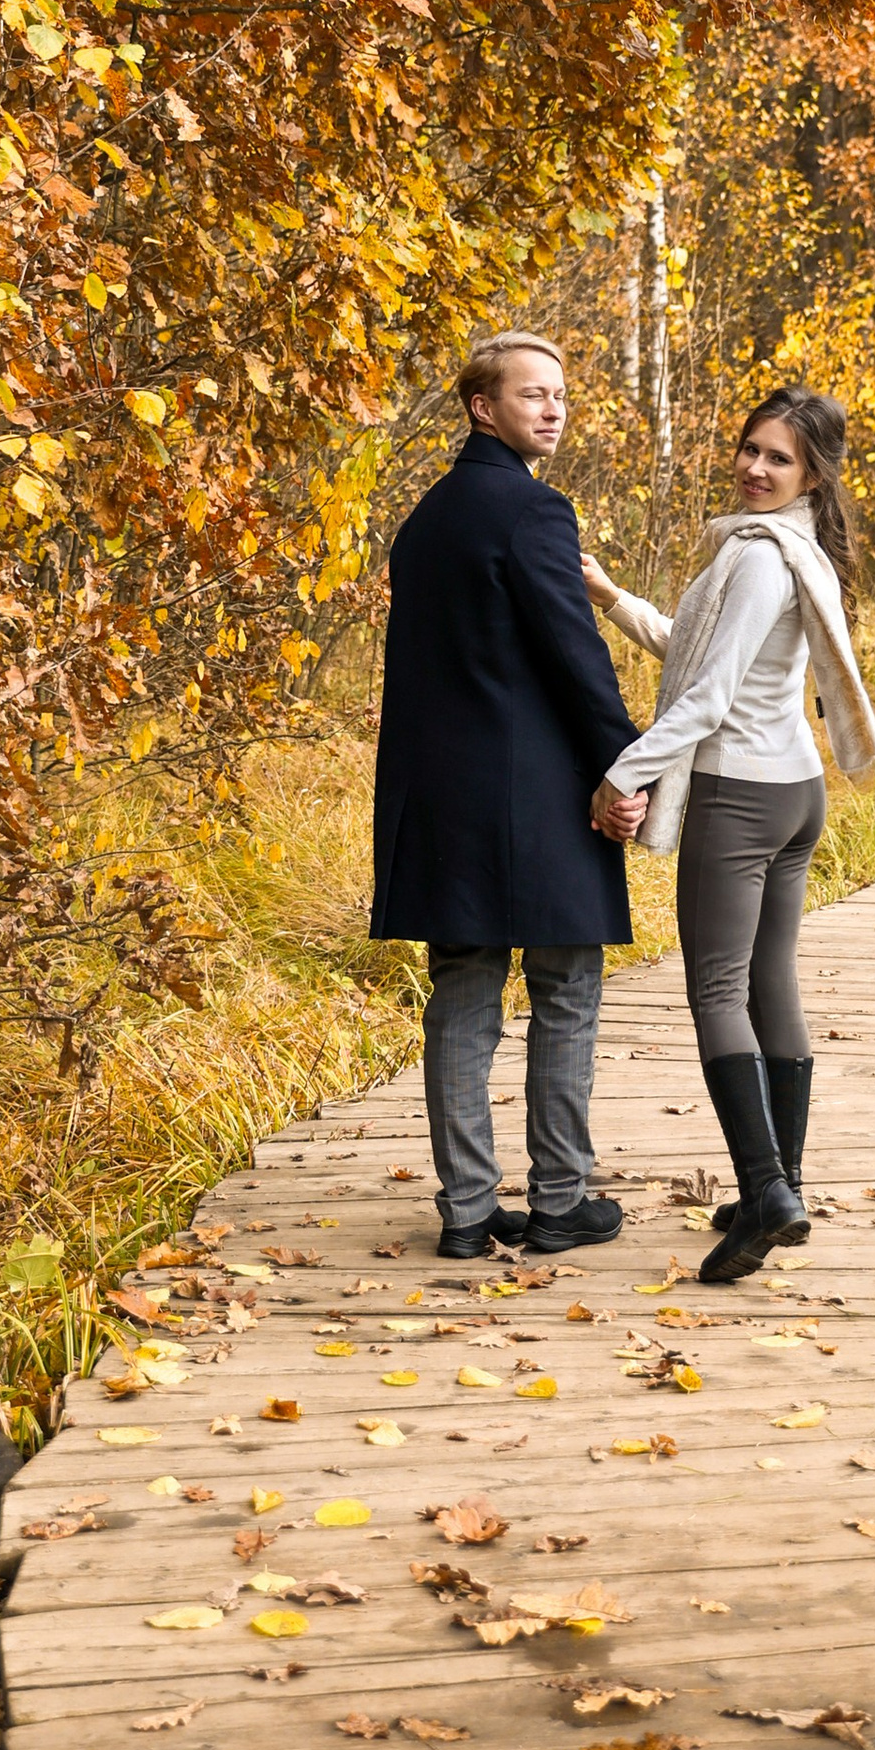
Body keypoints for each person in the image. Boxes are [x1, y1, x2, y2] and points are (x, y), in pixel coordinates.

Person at [581, 386, 875, 1285]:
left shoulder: (756, 557)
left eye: (778, 458)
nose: (755, 467)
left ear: (814, 473)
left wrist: (623, 770)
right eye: (751, 449)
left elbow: (706, 699)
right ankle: (778, 1182)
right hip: (795, 789)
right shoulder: (801, 550)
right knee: (768, 982)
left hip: (740, 794)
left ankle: (769, 1192)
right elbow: (699, 653)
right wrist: (612, 598)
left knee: (717, 988)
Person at [370, 332, 638, 1262]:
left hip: (443, 800)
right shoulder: (534, 513)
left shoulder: (427, 519)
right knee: (565, 988)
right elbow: (574, 654)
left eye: (560, 394)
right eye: (534, 395)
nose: (554, 409)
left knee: (464, 995)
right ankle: (561, 1200)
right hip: (538, 797)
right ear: (484, 407)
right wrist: (626, 762)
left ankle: (467, 1212)